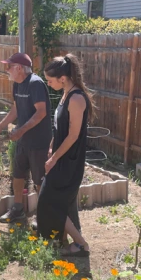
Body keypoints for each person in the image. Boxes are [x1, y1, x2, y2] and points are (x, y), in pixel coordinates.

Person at [36, 54, 94, 256]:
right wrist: (52, 147)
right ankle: (59, 239)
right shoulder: (65, 94)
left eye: (50, 81)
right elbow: (59, 128)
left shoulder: (76, 98)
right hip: (61, 157)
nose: (48, 84)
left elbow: (73, 136)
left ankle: (81, 245)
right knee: (50, 200)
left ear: (62, 78)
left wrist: (54, 158)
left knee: (52, 202)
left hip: (69, 161)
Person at [0, 52, 52, 223]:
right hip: (23, 140)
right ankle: (17, 209)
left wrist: (20, 131)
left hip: (38, 142)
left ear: (19, 68)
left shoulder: (35, 84)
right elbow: (16, 109)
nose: (7, 70)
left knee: (39, 180)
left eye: (9, 67)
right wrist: (0, 126)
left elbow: (41, 112)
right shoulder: (17, 84)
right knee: (18, 175)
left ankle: (42, 215)